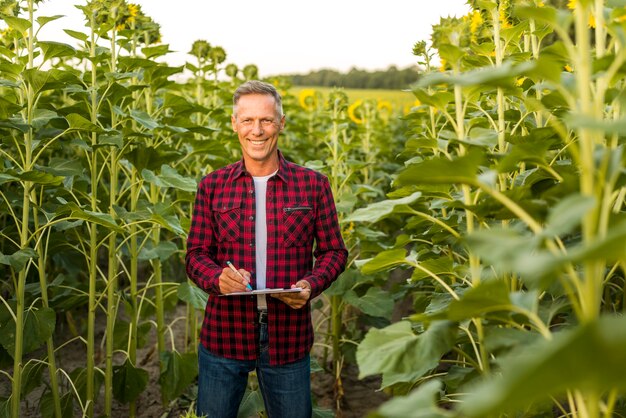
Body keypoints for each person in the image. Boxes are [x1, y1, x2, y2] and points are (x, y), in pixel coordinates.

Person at [185, 80, 348, 418]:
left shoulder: (312, 185)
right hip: (224, 333)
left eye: (266, 120)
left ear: (281, 124)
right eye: (247, 120)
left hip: (287, 337)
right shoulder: (212, 186)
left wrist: (310, 285)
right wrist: (218, 279)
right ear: (234, 124)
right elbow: (195, 255)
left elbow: (334, 251)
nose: (256, 130)